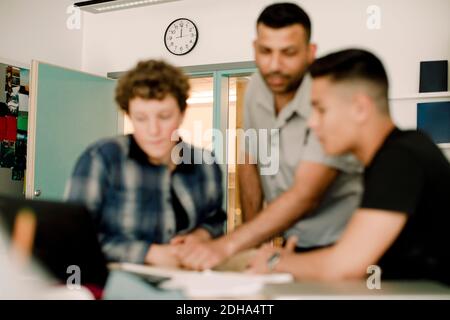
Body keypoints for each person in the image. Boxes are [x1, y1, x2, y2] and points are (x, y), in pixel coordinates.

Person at [176, 2, 362, 270]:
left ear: (310, 53)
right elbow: (250, 161)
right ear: (255, 48)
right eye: (266, 52)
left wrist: (228, 245)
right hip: (291, 242)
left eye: (288, 53)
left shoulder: (329, 99)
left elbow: (305, 194)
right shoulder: (256, 91)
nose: (275, 65)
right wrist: (255, 247)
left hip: (342, 243)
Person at [248, 49, 450, 284]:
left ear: (360, 108)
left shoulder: (401, 158)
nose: (312, 122)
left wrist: (274, 261)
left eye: (321, 109)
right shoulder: (394, 155)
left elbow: (344, 267)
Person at [65, 60, 226, 267]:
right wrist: (147, 253)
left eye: (164, 116)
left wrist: (201, 236)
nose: (153, 130)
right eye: (141, 118)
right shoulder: (101, 159)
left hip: (189, 282)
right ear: (129, 115)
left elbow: (215, 220)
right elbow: (74, 236)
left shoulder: (206, 164)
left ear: (182, 113)